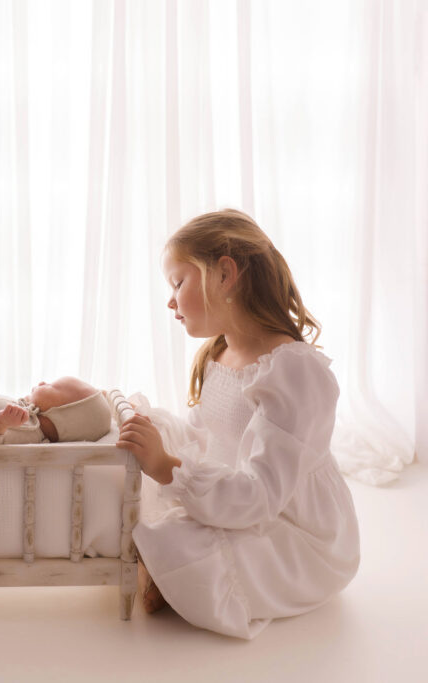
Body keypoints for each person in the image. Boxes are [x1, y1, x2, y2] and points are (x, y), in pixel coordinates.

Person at [117, 209, 360, 639]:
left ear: (225, 274)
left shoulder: (292, 373)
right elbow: (203, 436)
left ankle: (164, 573)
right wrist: (154, 438)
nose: (170, 301)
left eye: (178, 283)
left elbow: (262, 496)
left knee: (177, 538)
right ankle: (160, 568)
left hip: (292, 528)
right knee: (152, 469)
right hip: (236, 496)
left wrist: (168, 469)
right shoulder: (220, 354)